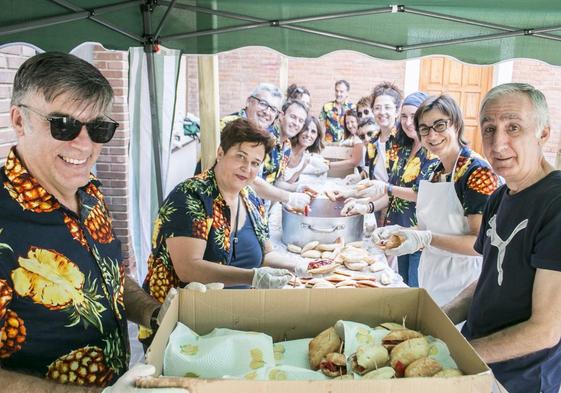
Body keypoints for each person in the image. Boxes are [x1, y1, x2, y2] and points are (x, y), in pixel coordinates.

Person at [0, 52, 180, 392]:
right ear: (19, 121)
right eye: (62, 124)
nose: (84, 144)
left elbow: (107, 279)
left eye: (98, 128)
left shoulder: (90, 191)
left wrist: (155, 314)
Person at [140, 119, 307, 344]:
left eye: (255, 163)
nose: (247, 169)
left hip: (235, 323)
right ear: (220, 153)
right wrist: (253, 276)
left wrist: (298, 265)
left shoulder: (252, 200)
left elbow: (266, 254)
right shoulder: (191, 196)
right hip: (183, 327)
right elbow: (189, 269)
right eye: (240, 157)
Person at [443, 83, 561, 393]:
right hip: (479, 367)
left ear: (543, 133)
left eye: (513, 127)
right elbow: (489, 282)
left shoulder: (556, 203)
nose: (498, 144)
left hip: (520, 381)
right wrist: (438, 321)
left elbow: (545, 331)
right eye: (489, 129)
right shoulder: (499, 197)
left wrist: (456, 355)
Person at [374, 95, 499, 305]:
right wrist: (399, 232)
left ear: (457, 125)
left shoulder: (476, 172)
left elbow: (479, 244)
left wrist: (426, 239)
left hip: (463, 282)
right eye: (424, 128)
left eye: (440, 125)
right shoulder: (435, 171)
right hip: (432, 273)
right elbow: (428, 226)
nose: (432, 135)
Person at [341, 92, 439, 287]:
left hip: (419, 235)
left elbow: (421, 195)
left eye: (414, 116)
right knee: (401, 284)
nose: (408, 122)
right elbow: (392, 194)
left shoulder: (432, 153)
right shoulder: (403, 150)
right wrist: (367, 206)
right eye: (404, 116)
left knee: (414, 288)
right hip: (398, 231)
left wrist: (386, 188)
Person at [279, 115, 326, 185]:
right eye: (305, 129)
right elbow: (277, 183)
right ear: (299, 130)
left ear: (317, 137)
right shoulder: (286, 150)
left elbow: (289, 184)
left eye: (313, 131)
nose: (308, 134)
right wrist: (298, 189)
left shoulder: (305, 160)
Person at [328, 109, 365, 174]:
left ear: (358, 121)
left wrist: (328, 165)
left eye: (352, 122)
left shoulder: (360, 138)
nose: (350, 125)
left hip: (361, 174)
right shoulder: (350, 138)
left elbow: (354, 162)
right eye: (347, 123)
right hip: (349, 172)